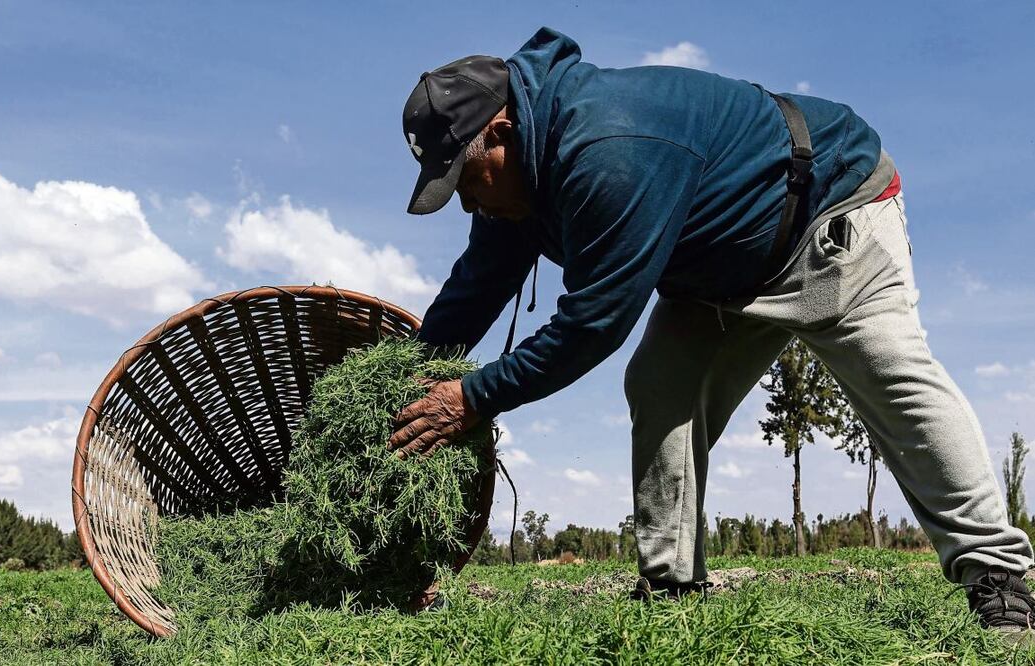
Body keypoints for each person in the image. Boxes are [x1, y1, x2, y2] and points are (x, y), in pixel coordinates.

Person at [386, 27, 1035, 635]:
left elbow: (592, 324)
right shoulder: (518, 175)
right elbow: (476, 285)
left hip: (826, 215)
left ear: (500, 131)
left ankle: (997, 573)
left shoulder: (608, 150)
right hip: (716, 267)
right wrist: (405, 376)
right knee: (662, 385)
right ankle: (671, 587)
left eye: (466, 181)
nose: (469, 203)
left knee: (891, 375)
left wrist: (470, 398)